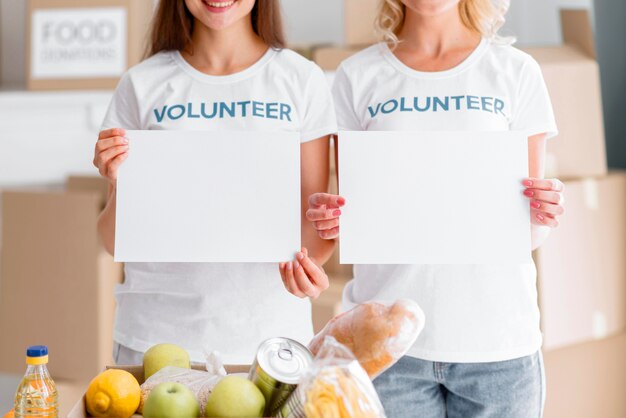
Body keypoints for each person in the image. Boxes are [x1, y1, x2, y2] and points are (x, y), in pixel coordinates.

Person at [298, 0, 565, 416]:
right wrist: (330, 219)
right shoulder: (357, 76)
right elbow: (359, 215)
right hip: (388, 349)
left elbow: (528, 229)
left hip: (497, 344)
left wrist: (545, 210)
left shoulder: (516, 71)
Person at [93, 0, 336, 365]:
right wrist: (119, 180)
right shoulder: (141, 84)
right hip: (154, 340)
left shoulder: (301, 79)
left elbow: (312, 231)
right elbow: (114, 242)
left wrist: (308, 270)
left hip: (269, 342)